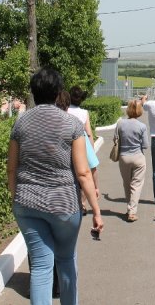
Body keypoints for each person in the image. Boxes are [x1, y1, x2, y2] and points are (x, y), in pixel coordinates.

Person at [7, 67, 103, 304]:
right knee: (66, 259)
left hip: (27, 204)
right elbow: (83, 172)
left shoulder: (20, 124)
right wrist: (96, 211)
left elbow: (11, 168)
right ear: (59, 91)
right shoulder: (71, 124)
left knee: (41, 266)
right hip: (64, 205)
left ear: (33, 91)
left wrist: (16, 197)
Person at [68, 86, 100, 215]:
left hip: (68, 141)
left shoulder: (65, 110)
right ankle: (83, 203)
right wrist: (91, 149)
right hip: (82, 141)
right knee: (88, 171)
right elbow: (89, 132)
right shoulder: (84, 112)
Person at [116, 99, 148, 222]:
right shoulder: (142, 126)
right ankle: (132, 212)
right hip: (138, 157)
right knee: (136, 185)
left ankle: (129, 208)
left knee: (127, 183)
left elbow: (115, 139)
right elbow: (145, 145)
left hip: (124, 157)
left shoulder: (120, 124)